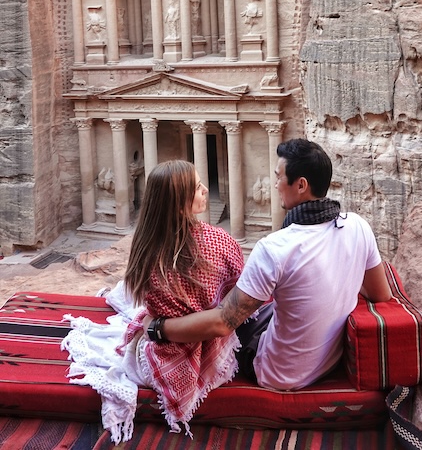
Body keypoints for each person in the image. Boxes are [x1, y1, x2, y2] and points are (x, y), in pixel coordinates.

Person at [143, 139, 392, 392]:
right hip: (329, 361)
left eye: (279, 177)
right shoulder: (358, 226)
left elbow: (222, 323)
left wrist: (156, 328)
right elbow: (380, 294)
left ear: (301, 185)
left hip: (278, 373)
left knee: (235, 319)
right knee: (267, 306)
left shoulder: (274, 248)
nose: (275, 185)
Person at [62, 160, 244, 442]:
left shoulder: (146, 245)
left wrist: (153, 322)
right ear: (181, 201)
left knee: (130, 303)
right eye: (197, 187)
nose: (206, 190)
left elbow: (150, 309)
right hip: (209, 351)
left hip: (156, 357)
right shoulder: (219, 240)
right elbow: (237, 293)